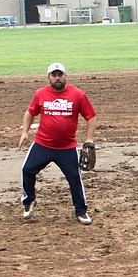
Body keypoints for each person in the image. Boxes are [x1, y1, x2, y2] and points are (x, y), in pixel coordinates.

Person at [18, 62, 97, 225]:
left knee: (75, 178)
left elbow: (90, 116)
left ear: (65, 76)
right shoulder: (40, 94)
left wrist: (89, 139)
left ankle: (81, 211)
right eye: (54, 75)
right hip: (42, 144)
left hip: (66, 147)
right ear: (49, 78)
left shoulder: (78, 94)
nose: (57, 78)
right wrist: (25, 132)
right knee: (27, 169)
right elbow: (30, 112)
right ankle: (29, 201)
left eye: (60, 75)